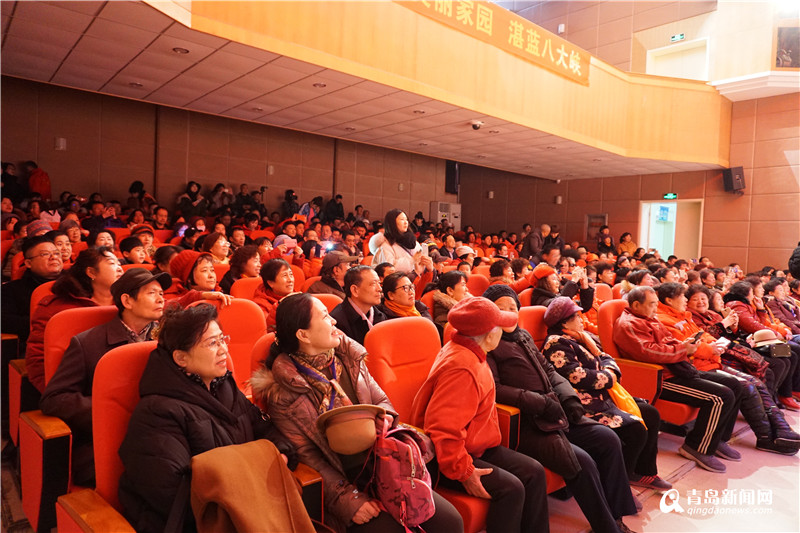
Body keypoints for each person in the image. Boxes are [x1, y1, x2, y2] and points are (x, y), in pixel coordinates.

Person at [251, 293, 462, 533]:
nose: (334, 321)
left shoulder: (347, 356)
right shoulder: (285, 389)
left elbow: (381, 400)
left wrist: (385, 417)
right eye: (324, 316)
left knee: (450, 522)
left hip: (382, 466)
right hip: (344, 479)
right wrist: (349, 499)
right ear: (303, 335)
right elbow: (308, 456)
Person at [118, 304, 296, 533]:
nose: (224, 350)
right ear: (181, 358)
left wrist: (280, 456)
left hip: (247, 509)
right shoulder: (157, 413)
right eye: (212, 343)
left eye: (222, 340)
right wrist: (255, 474)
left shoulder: (224, 387)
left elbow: (266, 429)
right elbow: (176, 498)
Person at [485, 288, 639, 533]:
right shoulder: (489, 342)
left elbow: (548, 371)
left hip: (555, 411)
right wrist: (540, 402)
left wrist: (569, 398)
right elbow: (496, 389)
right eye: (501, 308)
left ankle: (617, 515)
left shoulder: (523, 336)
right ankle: (607, 528)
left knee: (608, 439)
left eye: (513, 308)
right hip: (527, 422)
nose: (508, 313)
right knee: (582, 461)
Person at [411, 296, 549, 533]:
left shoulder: (469, 350)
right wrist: (464, 471)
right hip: (449, 456)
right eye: (499, 326)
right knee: (511, 489)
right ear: (489, 334)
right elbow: (443, 430)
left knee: (534, 472)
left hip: (476, 444)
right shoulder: (463, 367)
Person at [40, 268, 170, 486]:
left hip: (162, 434)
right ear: (127, 301)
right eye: (151, 293)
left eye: (161, 294)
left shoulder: (169, 338)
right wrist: (110, 412)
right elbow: (54, 399)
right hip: (107, 440)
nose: (160, 299)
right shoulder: (87, 343)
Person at [613, 287, 742, 473]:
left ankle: (717, 439)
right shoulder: (629, 324)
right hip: (660, 378)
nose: (656, 308)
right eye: (652, 304)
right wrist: (683, 350)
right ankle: (697, 447)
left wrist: (686, 344)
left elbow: (668, 341)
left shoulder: (650, 318)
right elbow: (648, 352)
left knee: (735, 385)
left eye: (656, 303)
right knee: (720, 396)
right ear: (636, 305)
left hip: (677, 369)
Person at [679, 285, 800, 455]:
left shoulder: (709, 314)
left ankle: (778, 427)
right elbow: (701, 341)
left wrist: (735, 326)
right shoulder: (686, 318)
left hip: (720, 355)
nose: (700, 302)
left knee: (776, 365)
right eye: (694, 299)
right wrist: (723, 327)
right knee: (751, 380)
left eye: (703, 298)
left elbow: (718, 337)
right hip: (713, 359)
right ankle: (767, 432)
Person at [26, 247, 123, 393]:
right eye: (112, 263)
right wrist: (57, 395)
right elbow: (38, 359)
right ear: (91, 272)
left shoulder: (128, 304)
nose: (120, 268)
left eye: (119, 263)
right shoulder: (57, 308)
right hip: (75, 390)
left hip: (119, 382)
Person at [723, 280, 800, 410]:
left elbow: (764, 322)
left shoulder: (753, 303)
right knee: (788, 356)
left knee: (790, 355)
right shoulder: (737, 305)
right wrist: (777, 332)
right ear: (746, 293)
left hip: (762, 338)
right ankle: (775, 397)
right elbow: (752, 326)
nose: (761, 290)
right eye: (756, 289)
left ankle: (781, 394)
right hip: (752, 342)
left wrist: (761, 310)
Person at [1, 236, 64, 347]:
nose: (54, 257)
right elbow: (4, 320)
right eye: (45, 254)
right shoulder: (11, 290)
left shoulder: (78, 284)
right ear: (28, 263)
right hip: (35, 346)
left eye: (56, 253)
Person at [330, 266, 386, 346]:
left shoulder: (380, 315)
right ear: (355, 290)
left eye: (379, 283)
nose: (380, 289)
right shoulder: (337, 322)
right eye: (373, 284)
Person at [371, 209, 431, 279]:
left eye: (406, 220)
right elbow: (388, 272)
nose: (406, 222)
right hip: (399, 283)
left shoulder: (413, 242)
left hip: (415, 280)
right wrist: (412, 261)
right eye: (402, 219)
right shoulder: (385, 246)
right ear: (392, 223)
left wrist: (428, 266)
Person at [253, 258, 296, 332]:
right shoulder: (259, 305)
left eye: (291, 274)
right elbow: (268, 330)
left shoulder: (296, 296)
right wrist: (280, 305)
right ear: (271, 283)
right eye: (284, 275)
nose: (290, 280)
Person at [529, 263, 594, 312]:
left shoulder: (556, 295)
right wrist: (573, 281)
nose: (558, 283)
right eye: (554, 279)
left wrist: (585, 286)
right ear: (544, 282)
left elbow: (583, 307)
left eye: (557, 279)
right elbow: (560, 304)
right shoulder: (540, 300)